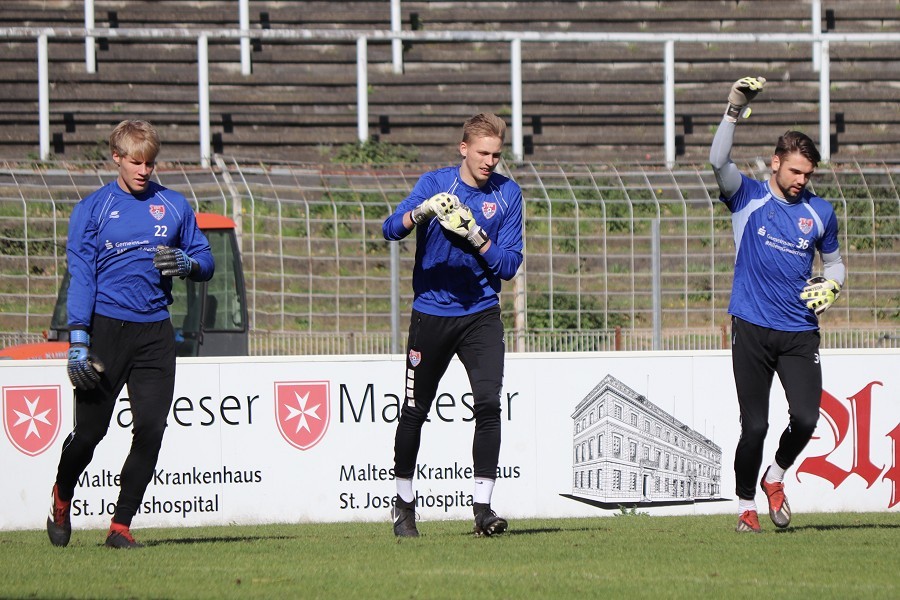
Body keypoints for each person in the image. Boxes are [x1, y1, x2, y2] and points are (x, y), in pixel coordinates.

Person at [46, 119, 215, 549]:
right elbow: (81, 276)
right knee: (90, 433)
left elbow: (204, 260)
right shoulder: (93, 209)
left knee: (152, 429)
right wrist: (78, 340)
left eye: (151, 163)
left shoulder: (175, 205)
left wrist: (188, 263)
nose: (144, 170)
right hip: (106, 330)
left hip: (155, 331)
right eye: (136, 161)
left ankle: (120, 526)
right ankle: (62, 496)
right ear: (117, 158)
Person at [710, 78, 846, 533]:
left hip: (798, 330)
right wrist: (734, 109)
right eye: (794, 173)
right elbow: (717, 160)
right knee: (755, 427)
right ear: (776, 164)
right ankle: (746, 507)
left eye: (808, 175)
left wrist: (833, 286)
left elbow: (836, 264)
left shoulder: (820, 212)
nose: (801, 182)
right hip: (749, 325)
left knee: (806, 418)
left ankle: (776, 476)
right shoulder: (747, 196)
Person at [382, 113, 524, 537]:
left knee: (489, 405)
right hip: (432, 313)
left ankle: (483, 510)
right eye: (483, 153)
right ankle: (404, 505)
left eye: (497, 155)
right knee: (414, 411)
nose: (490, 162)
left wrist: (477, 237)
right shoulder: (434, 184)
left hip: (481, 314)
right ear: (464, 149)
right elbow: (391, 229)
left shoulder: (508, 194)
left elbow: (510, 265)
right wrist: (422, 213)